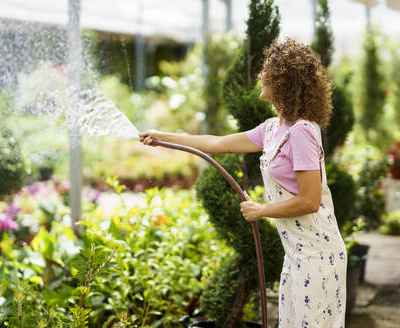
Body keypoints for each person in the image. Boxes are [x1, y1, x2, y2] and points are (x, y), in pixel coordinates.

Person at [139, 37, 347, 328]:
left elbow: (310, 201)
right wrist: (164, 137)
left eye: (269, 71)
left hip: (318, 255)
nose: (262, 76)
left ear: (285, 81)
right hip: (296, 253)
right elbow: (218, 143)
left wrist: (260, 211)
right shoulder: (273, 129)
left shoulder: (301, 133)